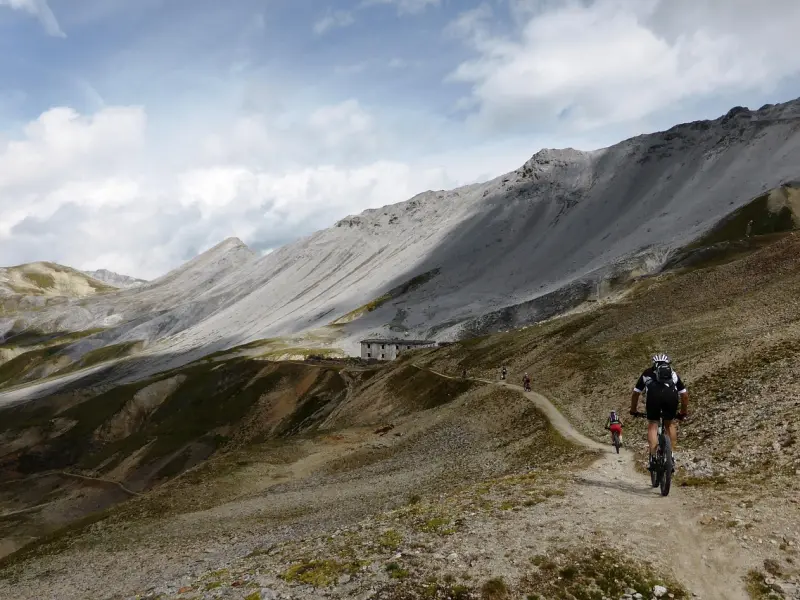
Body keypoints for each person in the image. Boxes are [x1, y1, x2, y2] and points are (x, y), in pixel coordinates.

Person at [629, 353, 689, 471]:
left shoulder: (647, 373)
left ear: (654, 364)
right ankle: (670, 456)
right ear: (668, 364)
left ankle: (653, 457)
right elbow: (684, 395)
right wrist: (683, 412)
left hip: (653, 399)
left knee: (653, 425)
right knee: (670, 424)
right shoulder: (673, 374)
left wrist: (633, 410)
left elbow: (636, 393)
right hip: (671, 398)